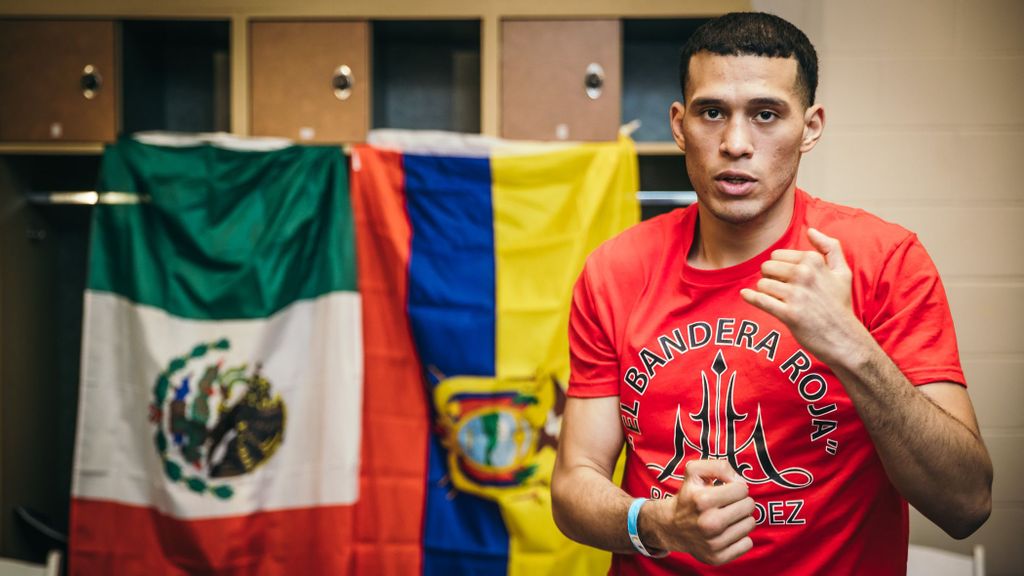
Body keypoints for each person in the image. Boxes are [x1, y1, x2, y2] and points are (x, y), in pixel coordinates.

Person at [551, 11, 992, 575]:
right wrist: (658, 523)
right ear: (680, 125)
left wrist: (851, 347)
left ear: (810, 127)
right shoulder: (615, 271)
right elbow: (573, 484)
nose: (736, 143)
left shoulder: (884, 260)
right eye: (713, 113)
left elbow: (967, 503)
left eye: (766, 115)